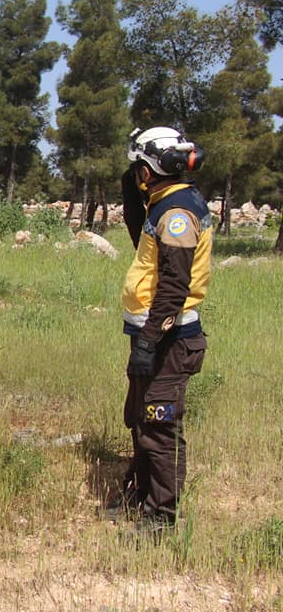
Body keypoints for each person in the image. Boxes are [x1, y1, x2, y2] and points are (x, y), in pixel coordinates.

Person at [114, 126, 211, 539]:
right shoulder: (165, 202)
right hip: (153, 334)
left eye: (138, 167)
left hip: (170, 339)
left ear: (150, 169)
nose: (136, 174)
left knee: (159, 424)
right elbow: (142, 242)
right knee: (140, 418)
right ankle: (140, 495)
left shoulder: (176, 215)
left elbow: (174, 288)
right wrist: (131, 196)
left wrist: (150, 342)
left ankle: (161, 518)